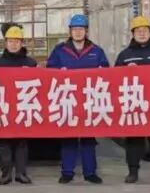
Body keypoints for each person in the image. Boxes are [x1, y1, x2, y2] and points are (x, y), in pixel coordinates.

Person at [46, 13, 108, 184]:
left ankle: (90, 173)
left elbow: (107, 72)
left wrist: (102, 71)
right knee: (69, 138)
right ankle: (67, 172)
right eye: (75, 29)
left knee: (89, 139)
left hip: (89, 102)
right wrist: (59, 72)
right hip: (68, 101)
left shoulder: (96, 51)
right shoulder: (59, 51)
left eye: (81, 29)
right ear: (70, 31)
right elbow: (49, 71)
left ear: (86, 31)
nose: (78, 32)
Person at [115, 15, 150, 184]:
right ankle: (133, 172)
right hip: (135, 103)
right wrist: (125, 70)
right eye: (138, 31)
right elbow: (114, 78)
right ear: (133, 34)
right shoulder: (125, 55)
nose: (142, 33)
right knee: (134, 140)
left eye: (145, 30)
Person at [0, 23, 37, 185]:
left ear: (22, 43)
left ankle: (21, 173)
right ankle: (6, 174)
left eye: (17, 41)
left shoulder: (30, 63)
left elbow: (41, 84)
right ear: (6, 43)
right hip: (3, 108)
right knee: (4, 142)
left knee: (22, 143)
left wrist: (33, 73)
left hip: (23, 107)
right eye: (10, 41)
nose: (14, 44)